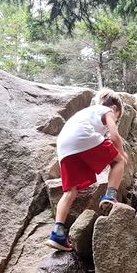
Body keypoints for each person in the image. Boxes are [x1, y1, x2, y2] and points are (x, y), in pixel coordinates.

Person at [46, 89, 129, 251]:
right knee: (118, 161)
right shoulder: (108, 111)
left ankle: (57, 233)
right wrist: (122, 153)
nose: (115, 119)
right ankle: (110, 195)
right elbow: (114, 135)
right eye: (117, 117)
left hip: (64, 147)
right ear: (114, 108)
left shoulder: (86, 113)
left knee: (70, 191)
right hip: (82, 136)